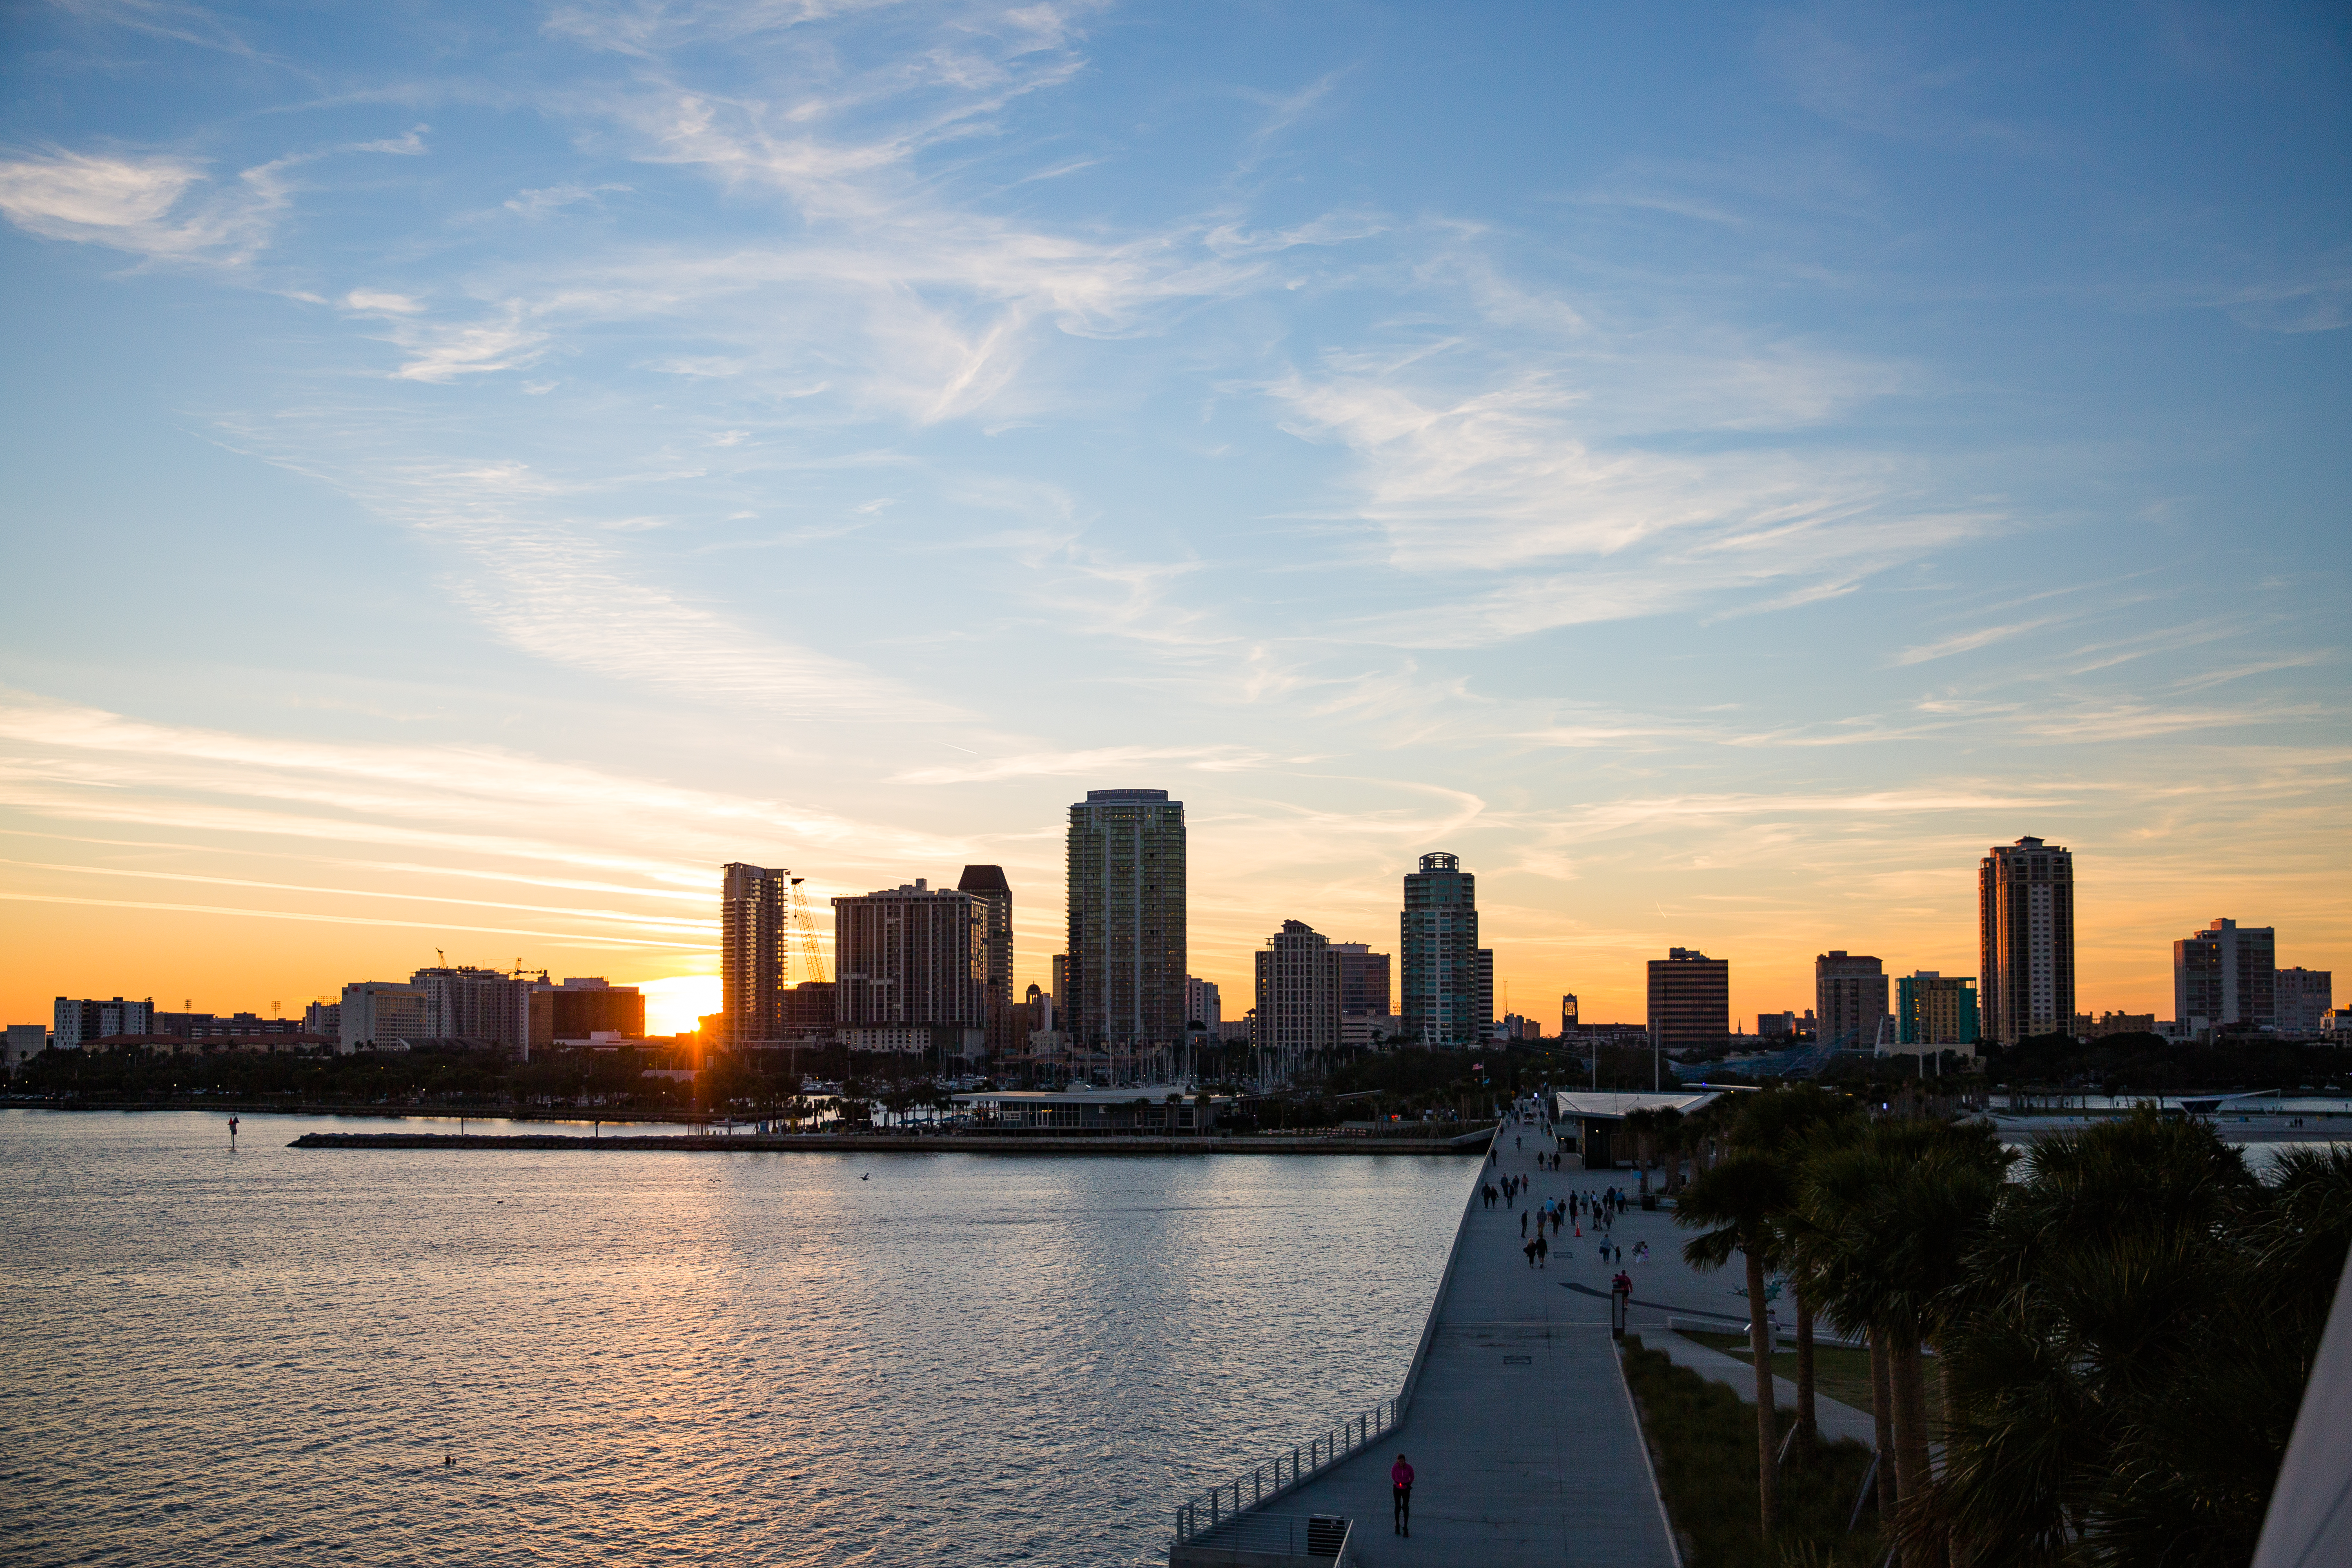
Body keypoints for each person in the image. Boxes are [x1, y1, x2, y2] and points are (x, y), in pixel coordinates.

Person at [1392, 1453, 1413, 1535]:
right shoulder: (1395, 1468)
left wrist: (1408, 1484)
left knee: (1405, 1507)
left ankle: (1405, 1527)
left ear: (1405, 1461)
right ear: (1398, 1461)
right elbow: (1393, 1476)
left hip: (1406, 1489)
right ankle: (1397, 1525)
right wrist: (1398, 1483)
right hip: (1397, 1488)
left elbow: (1412, 1477)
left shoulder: (1409, 1468)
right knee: (1398, 1507)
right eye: (1400, 1461)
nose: (1402, 1463)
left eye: (1403, 1461)